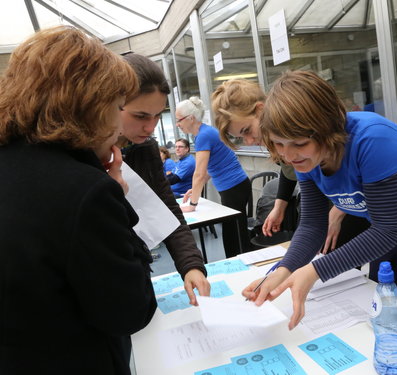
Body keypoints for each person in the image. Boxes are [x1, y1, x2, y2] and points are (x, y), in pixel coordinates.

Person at [242, 70, 397, 334]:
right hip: (388, 239)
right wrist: (284, 268)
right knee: (392, 323)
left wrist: (314, 271)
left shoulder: (374, 138)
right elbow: (312, 224)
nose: (288, 155)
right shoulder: (302, 156)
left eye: (298, 143)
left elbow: (387, 228)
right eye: (278, 144)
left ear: (327, 129)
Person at [0, 26, 156, 374]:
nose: (119, 126)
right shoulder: (86, 191)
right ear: (90, 106)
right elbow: (130, 310)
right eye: (118, 108)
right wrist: (116, 200)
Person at [211, 79, 370, 250]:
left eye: (247, 130)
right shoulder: (281, 146)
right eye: (241, 137)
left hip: (353, 202)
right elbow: (290, 174)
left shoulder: (310, 136)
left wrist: (339, 210)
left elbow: (353, 179)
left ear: (260, 110)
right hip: (329, 200)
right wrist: (279, 207)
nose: (249, 142)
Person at [118, 53, 210, 304]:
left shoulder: (145, 148)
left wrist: (191, 265)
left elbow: (167, 207)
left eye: (158, 115)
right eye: (140, 116)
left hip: (139, 265)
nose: (150, 126)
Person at [176, 97, 251, 257]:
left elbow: (199, 172)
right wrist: (194, 189)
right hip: (233, 187)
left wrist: (193, 203)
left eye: (179, 120)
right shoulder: (203, 133)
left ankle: (242, 266)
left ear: (191, 118)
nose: (177, 124)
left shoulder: (204, 135)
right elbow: (211, 168)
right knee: (232, 233)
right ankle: (237, 264)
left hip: (234, 187)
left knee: (235, 234)